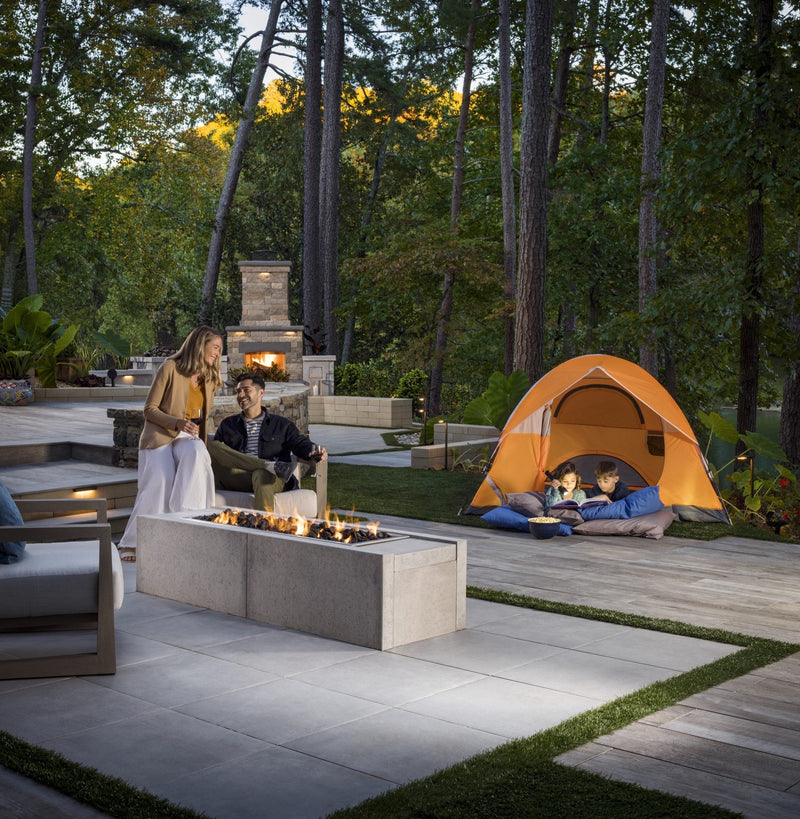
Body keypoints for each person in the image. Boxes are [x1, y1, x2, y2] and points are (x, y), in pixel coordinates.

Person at [117, 326, 223, 562]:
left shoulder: (209, 378)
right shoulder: (170, 368)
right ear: (200, 344)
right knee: (160, 482)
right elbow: (149, 410)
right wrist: (177, 422)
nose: (218, 353)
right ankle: (131, 542)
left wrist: (189, 429)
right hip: (161, 435)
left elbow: (202, 418)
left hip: (188, 437)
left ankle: (185, 525)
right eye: (215, 347)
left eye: (219, 349)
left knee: (197, 456)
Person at [208, 373, 328, 511]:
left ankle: (263, 527)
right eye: (238, 391)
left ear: (261, 393)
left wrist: (314, 450)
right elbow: (217, 453)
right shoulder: (228, 424)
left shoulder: (281, 424)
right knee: (212, 446)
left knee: (261, 474)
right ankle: (268, 465)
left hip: (271, 478)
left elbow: (300, 442)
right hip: (239, 477)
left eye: (246, 390)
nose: (241, 395)